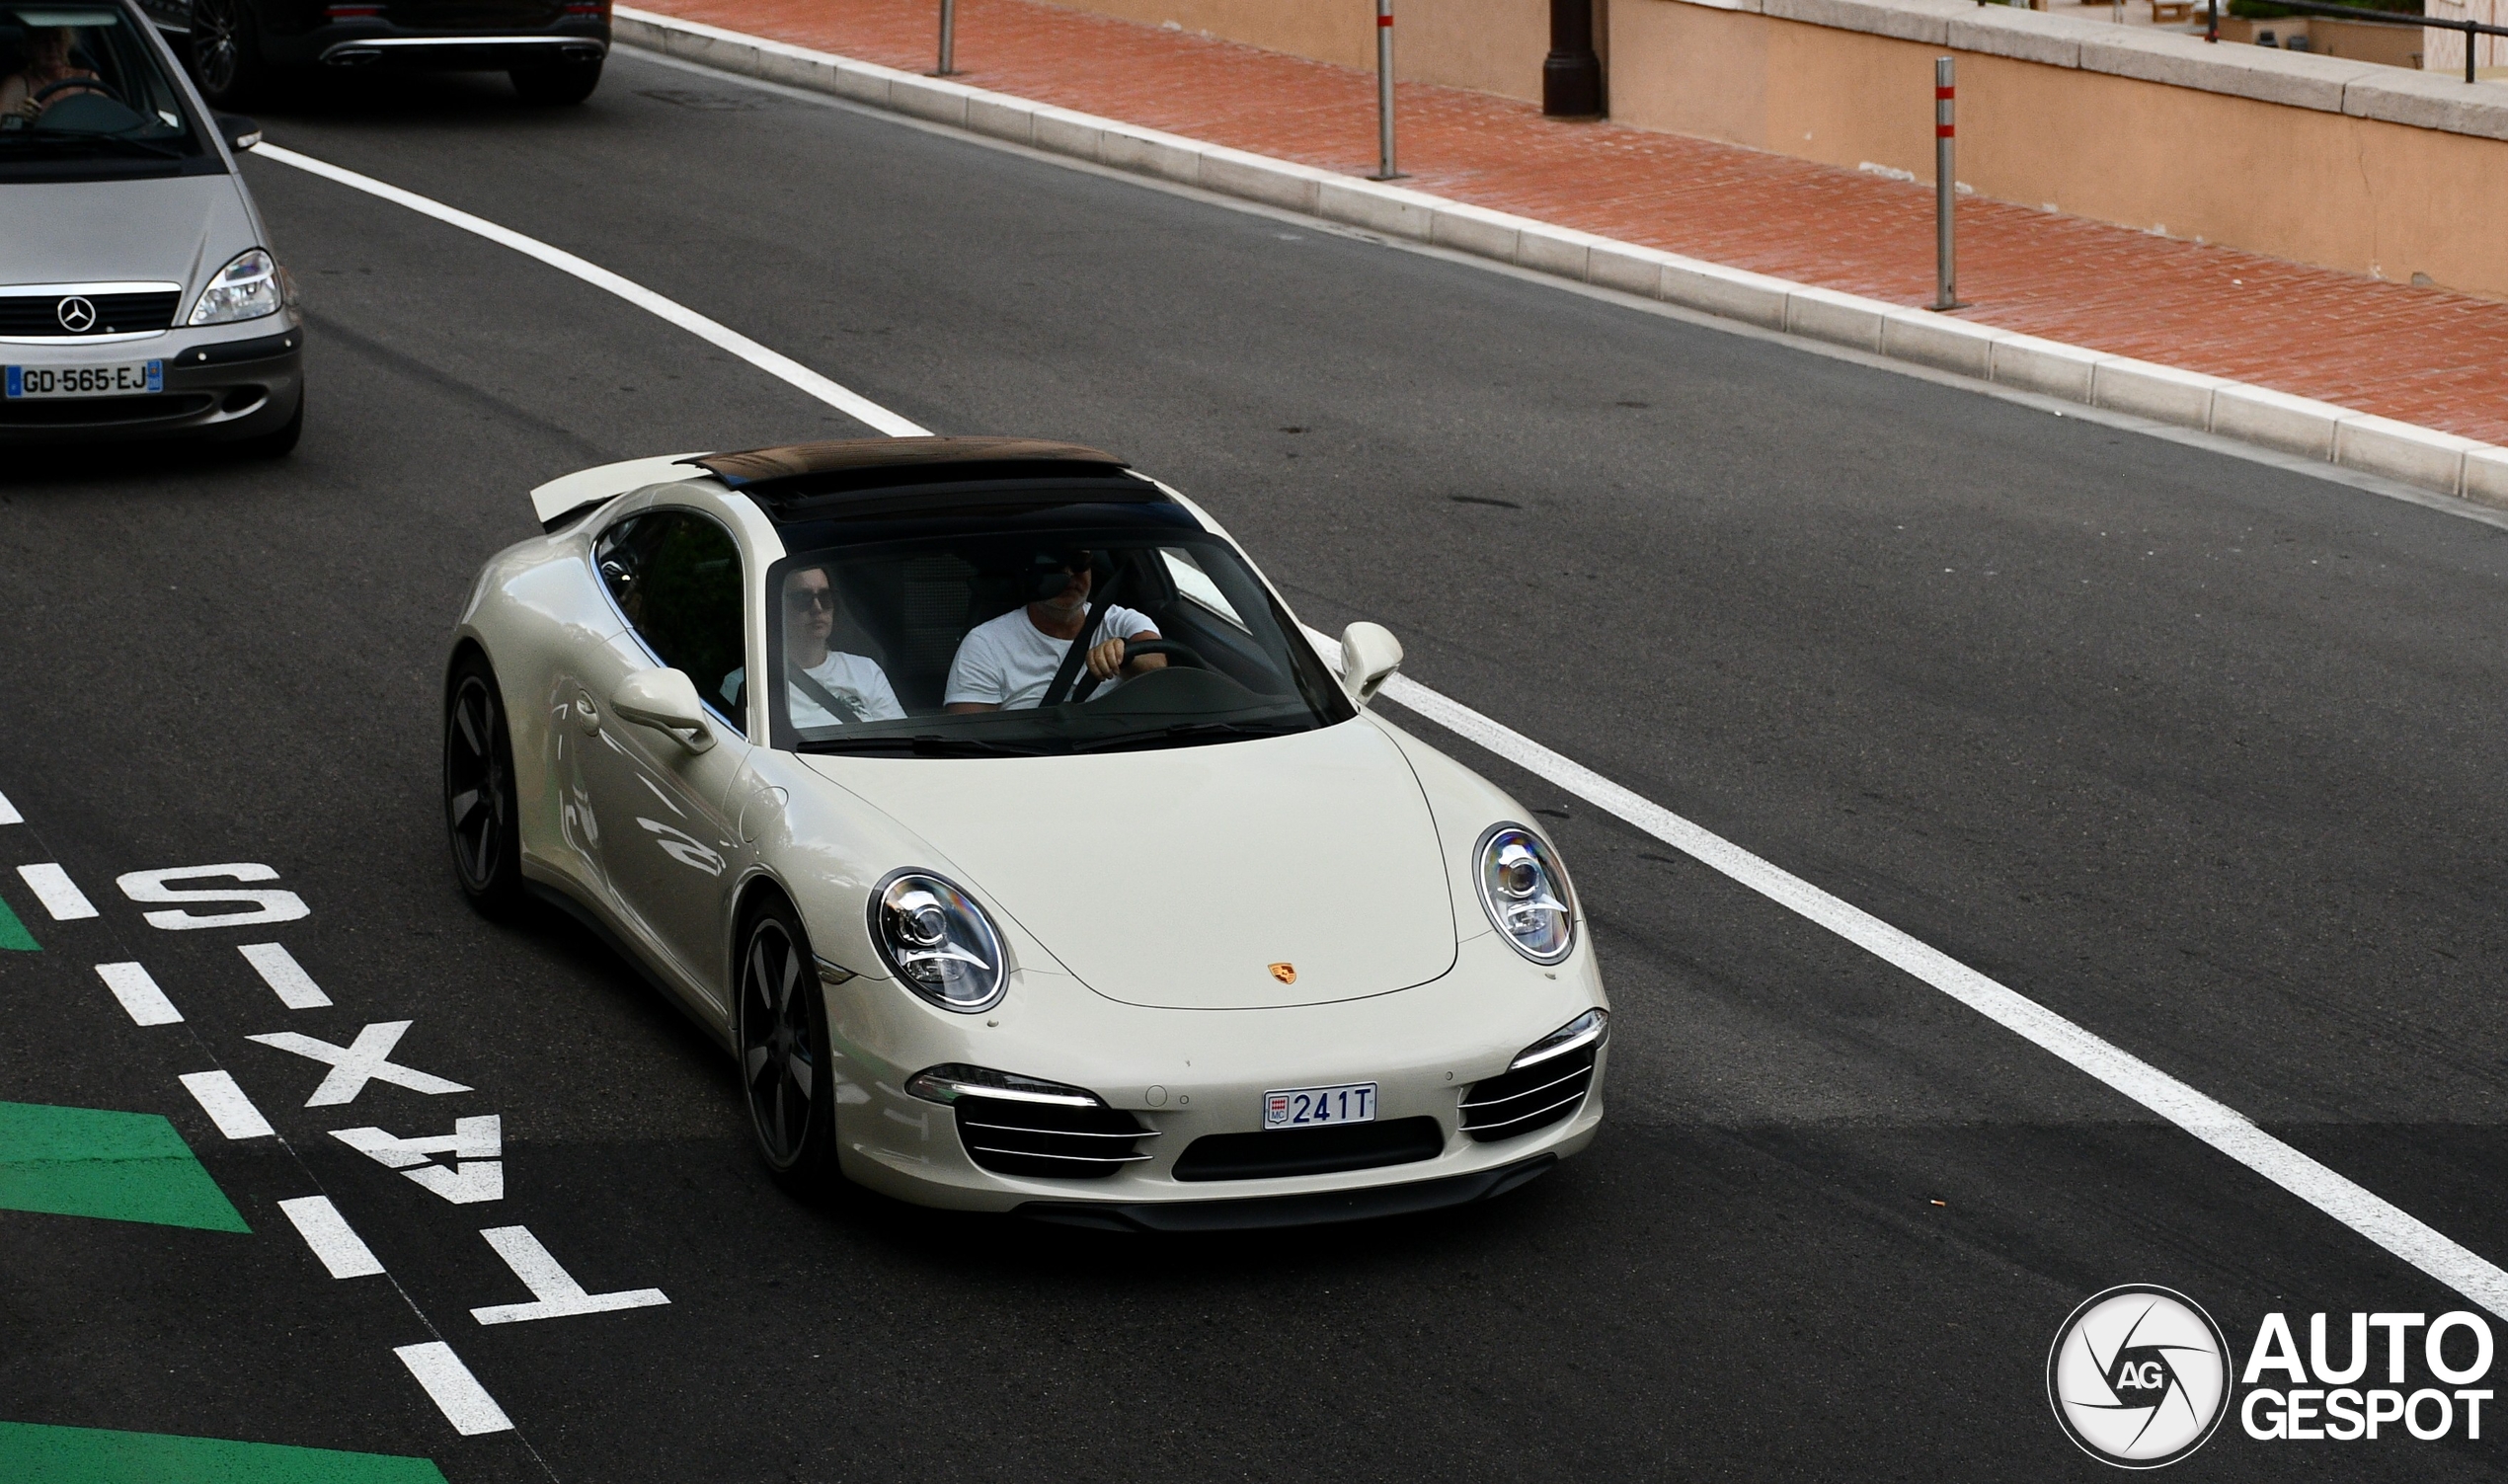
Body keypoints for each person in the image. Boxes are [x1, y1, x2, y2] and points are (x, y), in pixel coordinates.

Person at [944, 550, 1165, 712]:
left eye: (1079, 562)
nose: (1069, 575)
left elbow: (1158, 667)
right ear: (1029, 573)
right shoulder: (985, 644)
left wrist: (1126, 654)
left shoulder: (1121, 621)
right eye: (1052, 565)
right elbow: (972, 745)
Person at [722, 566, 904, 728]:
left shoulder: (866, 671)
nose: (817, 608)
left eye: (825, 597)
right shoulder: (745, 683)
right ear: (777, 607)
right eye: (802, 598)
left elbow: (899, 742)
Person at [1, 28, 99, 121]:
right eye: (43, 41)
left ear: (67, 44)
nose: (51, 47)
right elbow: (3, 126)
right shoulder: (17, 84)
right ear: (30, 47)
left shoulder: (87, 80)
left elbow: (108, 118)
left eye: (57, 39)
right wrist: (18, 118)